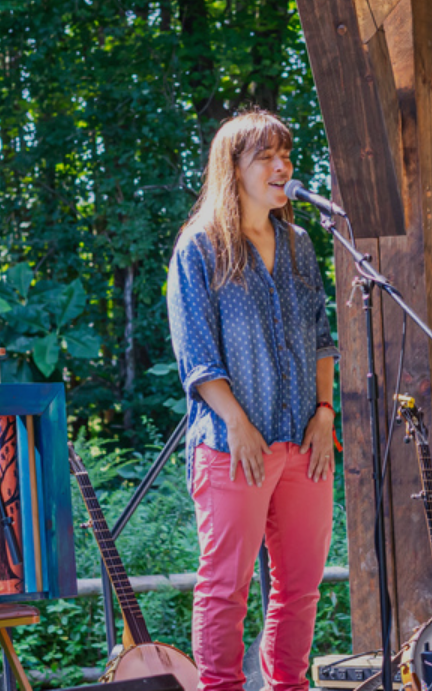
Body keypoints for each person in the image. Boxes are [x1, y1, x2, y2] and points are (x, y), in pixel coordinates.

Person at [167, 109, 338, 691]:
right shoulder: (200, 246)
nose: (281, 166)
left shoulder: (299, 244)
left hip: (305, 443)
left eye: (284, 154)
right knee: (225, 587)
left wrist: (325, 414)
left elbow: (321, 338)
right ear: (232, 168)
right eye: (265, 156)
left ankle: (289, 686)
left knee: (301, 588)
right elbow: (196, 357)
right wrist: (237, 423)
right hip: (230, 443)